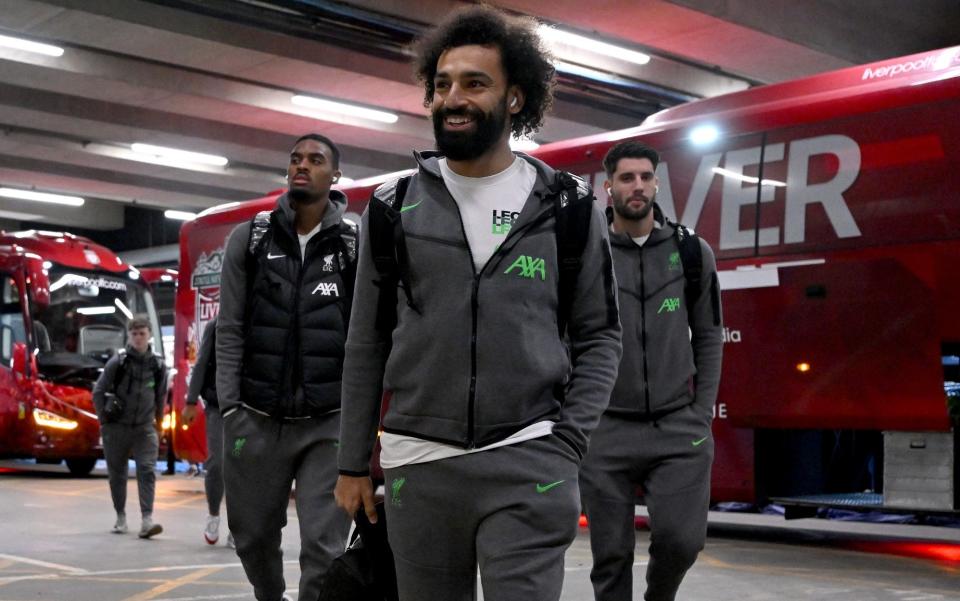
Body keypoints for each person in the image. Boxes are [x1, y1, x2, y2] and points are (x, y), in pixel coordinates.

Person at [334, 7, 622, 601]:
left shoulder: (566, 206)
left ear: (516, 98)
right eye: (441, 85)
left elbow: (599, 335)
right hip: (419, 463)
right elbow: (366, 342)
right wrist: (352, 462)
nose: (452, 98)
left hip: (528, 459)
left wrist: (567, 443)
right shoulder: (393, 207)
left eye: (474, 83)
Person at [579, 141, 724, 601]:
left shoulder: (691, 252)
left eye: (645, 177)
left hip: (677, 426)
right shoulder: (586, 255)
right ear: (608, 188)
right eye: (626, 178)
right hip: (605, 430)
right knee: (612, 556)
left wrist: (700, 412)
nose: (637, 186)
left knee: (683, 541)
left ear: (657, 183)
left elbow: (708, 335)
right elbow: (565, 338)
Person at [217, 133, 356, 601]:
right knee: (253, 537)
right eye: (296, 159)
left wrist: (364, 415)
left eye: (316, 160)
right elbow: (229, 327)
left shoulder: (353, 244)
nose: (303, 166)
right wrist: (232, 406)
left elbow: (368, 337)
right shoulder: (251, 238)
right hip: (256, 417)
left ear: (335, 175)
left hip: (328, 422)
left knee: (324, 546)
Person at [92, 315, 167, 539]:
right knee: (118, 474)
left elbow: (160, 397)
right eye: (134, 334)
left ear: (150, 335)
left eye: (142, 334)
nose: (138, 338)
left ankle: (147, 520)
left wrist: (159, 424)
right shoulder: (118, 362)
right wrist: (103, 420)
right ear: (129, 336)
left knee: (147, 470)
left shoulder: (158, 365)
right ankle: (121, 517)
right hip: (117, 427)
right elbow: (98, 391)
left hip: (145, 427)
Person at [182, 317, 234, 547]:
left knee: (243, 468)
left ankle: (238, 527)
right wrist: (191, 400)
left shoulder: (255, 321)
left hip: (248, 406)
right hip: (217, 406)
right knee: (217, 463)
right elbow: (202, 363)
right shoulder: (216, 326)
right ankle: (213, 514)